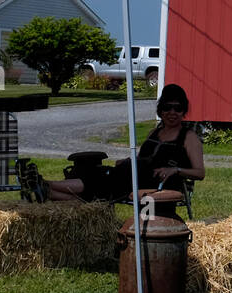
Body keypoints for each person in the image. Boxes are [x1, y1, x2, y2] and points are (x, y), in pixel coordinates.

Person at [23, 83, 206, 203]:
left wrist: (175, 170)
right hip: (133, 175)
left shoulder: (189, 137)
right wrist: (127, 160)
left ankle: (45, 185)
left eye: (177, 108)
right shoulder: (154, 132)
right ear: (161, 109)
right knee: (98, 175)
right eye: (167, 107)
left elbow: (200, 173)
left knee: (101, 179)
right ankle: (46, 191)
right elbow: (143, 158)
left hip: (157, 184)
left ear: (184, 110)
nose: (172, 112)